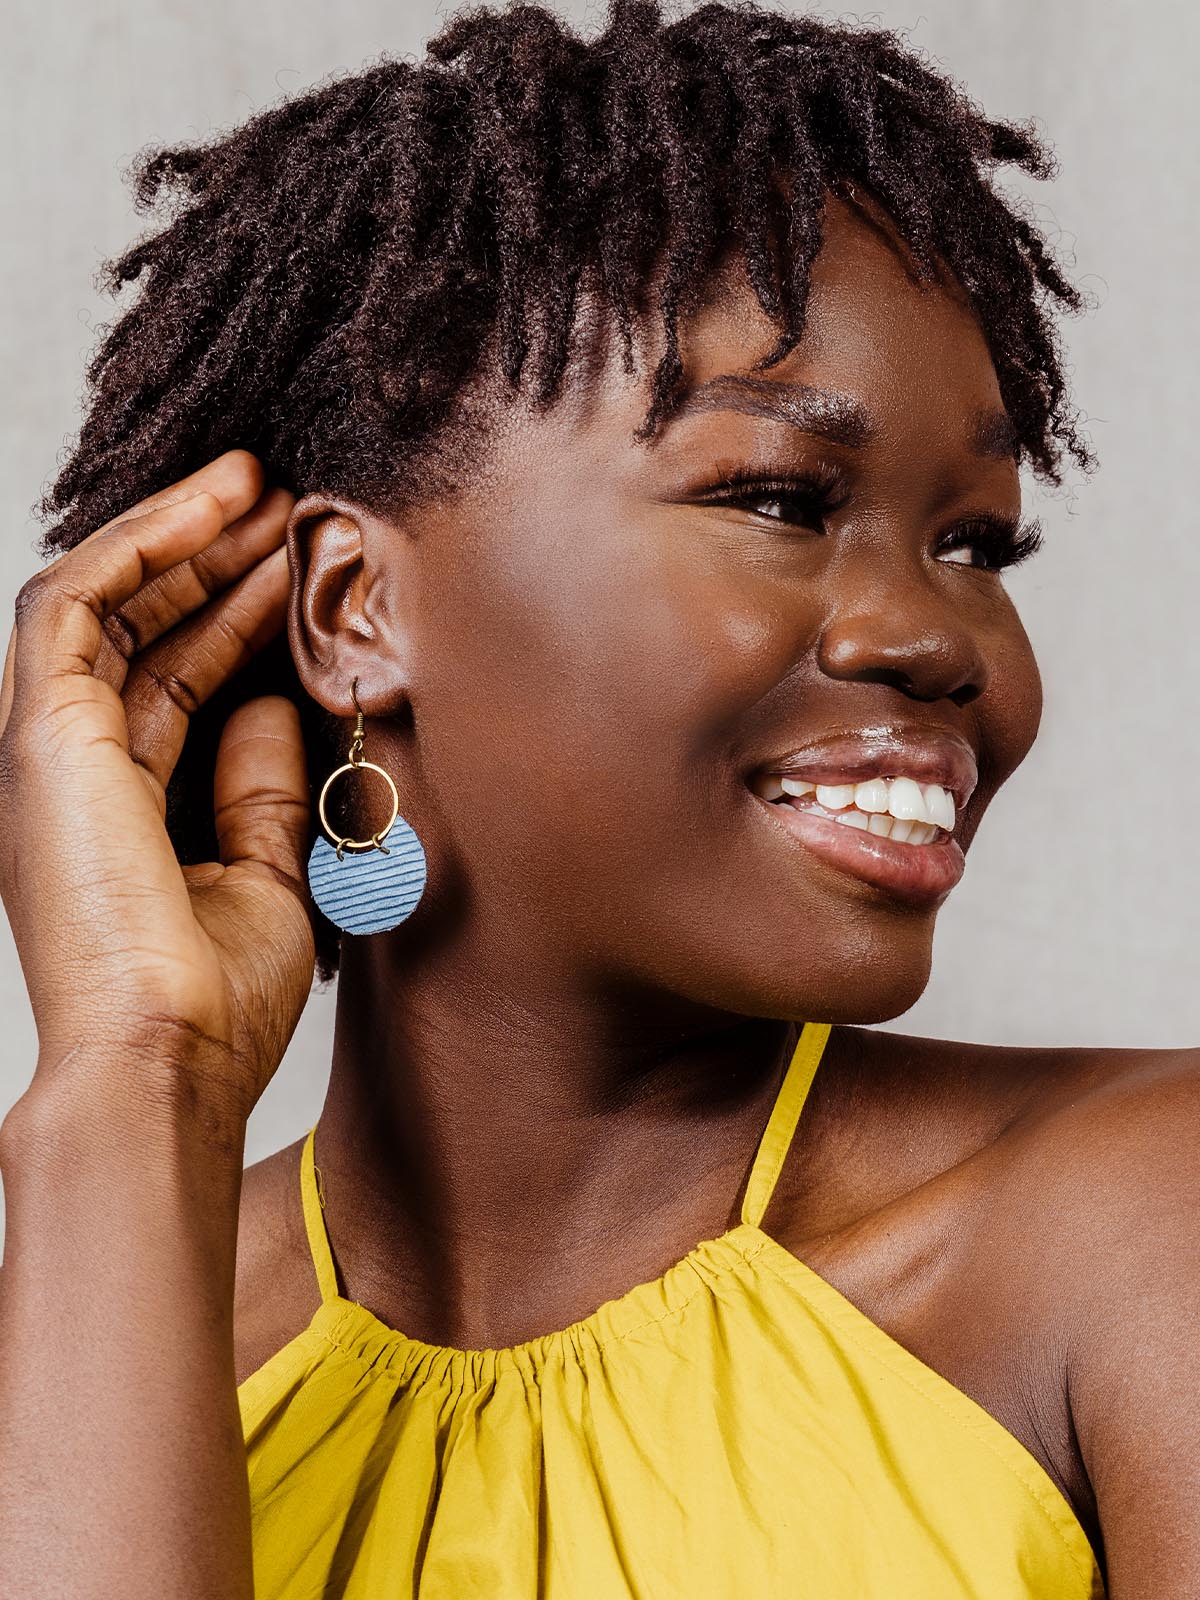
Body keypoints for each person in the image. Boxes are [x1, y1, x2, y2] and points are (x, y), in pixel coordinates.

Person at [0, 1, 1194, 1595]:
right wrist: (133, 1080)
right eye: (780, 499)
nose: (937, 635)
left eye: (975, 542)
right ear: (355, 609)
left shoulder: (1137, 1229)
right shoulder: (93, 1347)